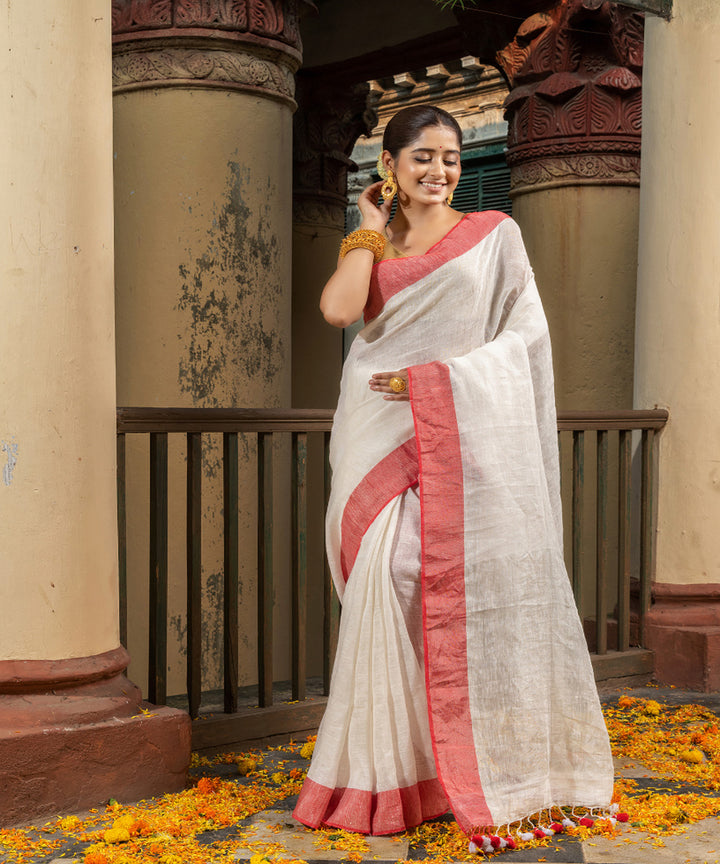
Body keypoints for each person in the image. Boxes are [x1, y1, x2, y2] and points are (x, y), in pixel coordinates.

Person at [293, 105, 613, 839]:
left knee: (416, 578)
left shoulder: (493, 236)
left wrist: (436, 381)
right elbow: (340, 312)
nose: (440, 172)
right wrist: (368, 228)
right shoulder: (370, 240)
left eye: (452, 159)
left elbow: (525, 338)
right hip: (375, 430)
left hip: (452, 419)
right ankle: (388, 777)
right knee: (383, 579)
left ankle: (449, 757)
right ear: (392, 168)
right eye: (423, 159)